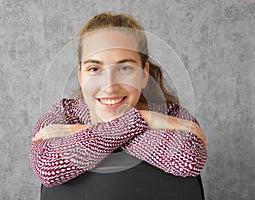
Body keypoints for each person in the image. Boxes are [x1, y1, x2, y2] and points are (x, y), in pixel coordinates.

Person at [30, 12, 208, 200]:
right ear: (81, 75)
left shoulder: (171, 113)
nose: (110, 86)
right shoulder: (64, 114)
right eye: (94, 69)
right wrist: (143, 119)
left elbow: (189, 159)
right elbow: (46, 166)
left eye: (124, 68)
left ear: (143, 74)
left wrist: (88, 131)